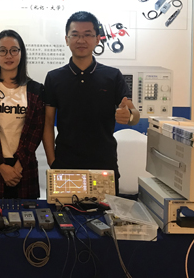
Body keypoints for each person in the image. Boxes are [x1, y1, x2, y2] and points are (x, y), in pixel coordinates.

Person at [42, 11, 140, 194]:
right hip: (65, 164)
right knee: (65, 212)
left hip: (104, 164)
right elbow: (47, 122)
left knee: (104, 212)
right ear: (67, 39)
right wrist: (52, 161)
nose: (81, 40)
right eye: (75, 35)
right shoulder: (54, 77)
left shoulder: (112, 76)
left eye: (87, 34)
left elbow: (134, 115)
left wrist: (129, 116)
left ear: (97, 39)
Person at [0, 30, 45, 199]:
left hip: (24, 168)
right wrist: (1, 166)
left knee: (26, 214)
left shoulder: (35, 90)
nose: (8, 55)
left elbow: (36, 131)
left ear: (21, 53)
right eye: (3, 50)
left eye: (14, 50)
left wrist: (19, 165)